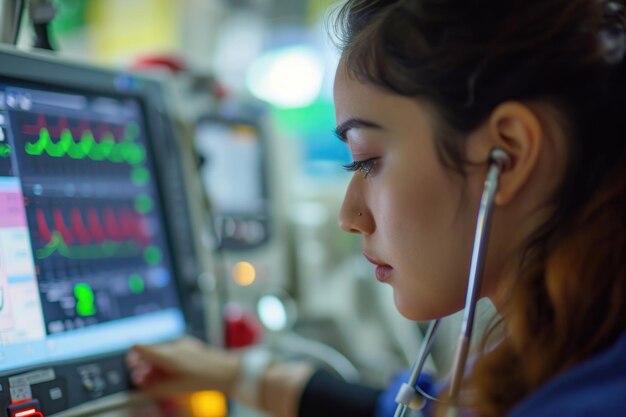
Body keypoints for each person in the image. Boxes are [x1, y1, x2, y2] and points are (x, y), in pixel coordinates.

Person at [126, 0, 626, 416]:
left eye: (367, 160)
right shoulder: (552, 352)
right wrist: (233, 373)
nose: (350, 217)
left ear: (508, 154)